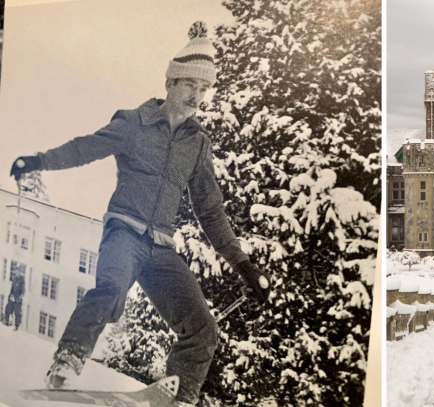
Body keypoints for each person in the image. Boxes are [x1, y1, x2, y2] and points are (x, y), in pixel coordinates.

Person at [9, 22, 268, 407]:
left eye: (204, 88)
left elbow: (210, 212)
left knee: (203, 327)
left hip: (161, 250)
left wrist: (243, 264)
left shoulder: (198, 144)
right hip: (124, 235)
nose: (197, 96)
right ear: (170, 83)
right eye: (189, 85)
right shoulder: (133, 123)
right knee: (110, 290)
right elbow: (87, 148)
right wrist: (39, 161)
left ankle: (180, 398)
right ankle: (66, 364)